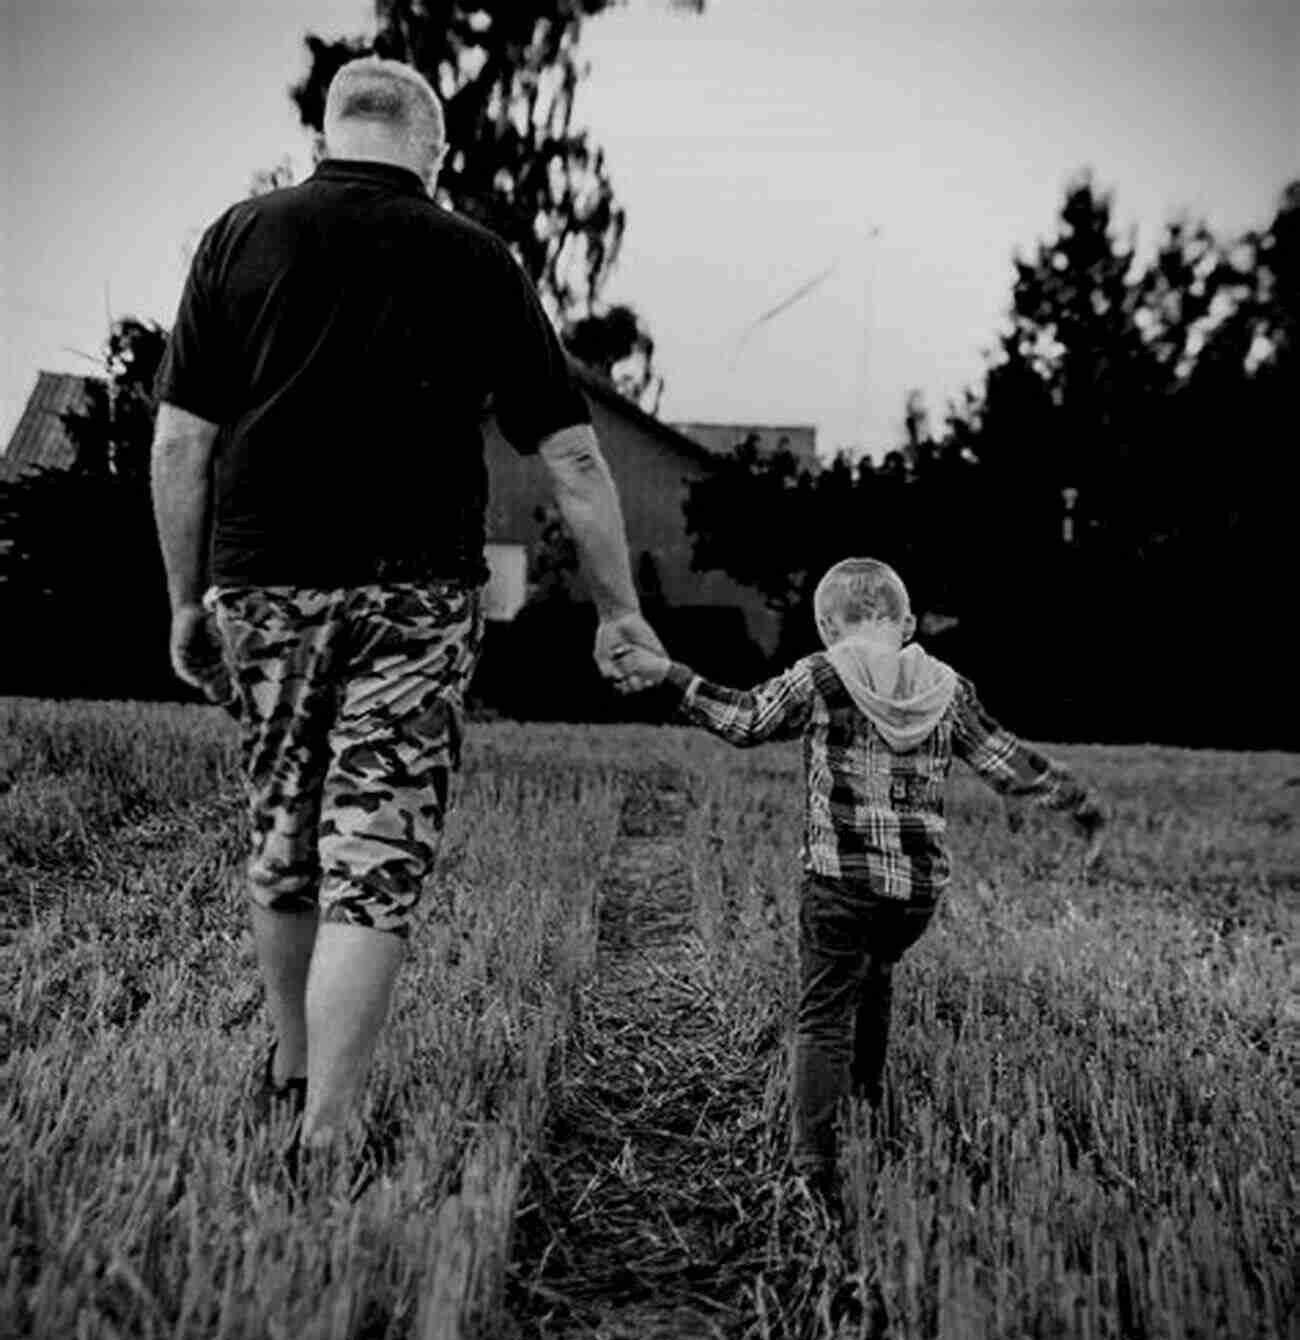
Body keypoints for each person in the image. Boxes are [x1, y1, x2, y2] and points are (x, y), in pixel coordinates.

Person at [149, 56, 664, 1189]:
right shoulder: (476, 258)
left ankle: (289, 1069)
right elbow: (570, 454)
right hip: (414, 597)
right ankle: (329, 1129)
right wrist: (619, 611)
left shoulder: (239, 235)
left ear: (329, 132)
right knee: (370, 858)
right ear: (430, 147)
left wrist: (188, 601)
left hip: (263, 583)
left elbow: (182, 441)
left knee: (283, 833)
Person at [613, 557, 1108, 1206]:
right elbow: (1004, 760)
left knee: (822, 1015)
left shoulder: (821, 676)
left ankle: (812, 1164)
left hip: (839, 881)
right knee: (876, 976)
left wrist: (670, 675)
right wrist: (1080, 803)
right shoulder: (947, 687)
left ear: (826, 625)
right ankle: (867, 1111)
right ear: (905, 623)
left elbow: (744, 720)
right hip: (915, 894)